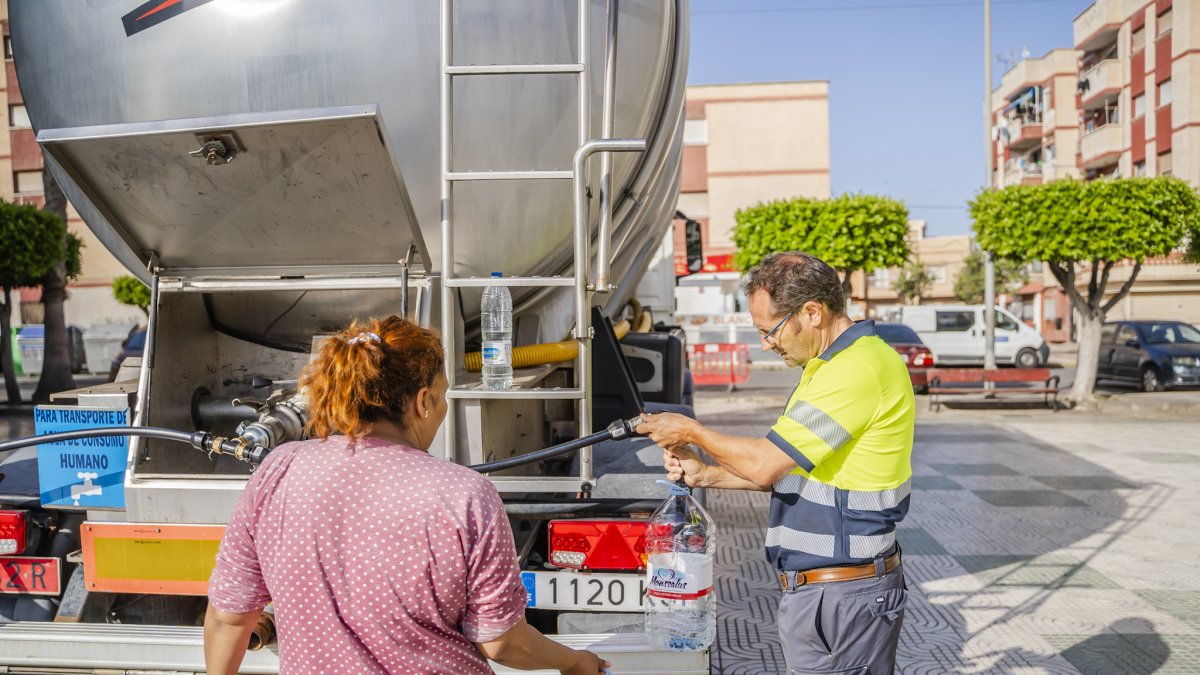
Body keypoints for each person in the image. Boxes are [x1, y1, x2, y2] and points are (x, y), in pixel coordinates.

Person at [204, 316, 609, 675]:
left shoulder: (279, 470)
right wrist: (574, 661)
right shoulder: (463, 494)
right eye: (443, 395)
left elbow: (229, 618)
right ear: (422, 402)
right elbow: (502, 642)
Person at [637, 252, 914, 674]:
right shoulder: (826, 366)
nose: (767, 344)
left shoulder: (857, 369)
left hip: (844, 594)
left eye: (771, 331)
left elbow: (766, 463)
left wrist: (691, 431)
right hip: (828, 592)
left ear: (812, 312)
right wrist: (708, 473)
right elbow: (794, 473)